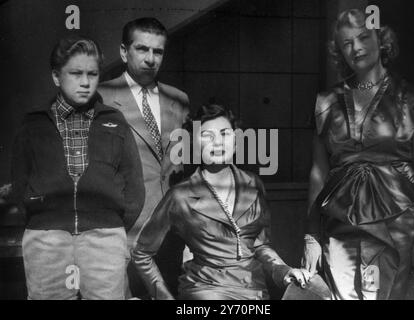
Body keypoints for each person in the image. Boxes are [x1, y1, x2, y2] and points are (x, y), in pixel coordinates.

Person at [302, 9, 414, 300]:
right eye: (347, 43)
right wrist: (311, 235)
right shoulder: (326, 103)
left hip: (399, 226)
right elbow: (318, 172)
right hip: (340, 229)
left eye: (364, 37)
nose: (356, 48)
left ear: (382, 39)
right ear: (339, 51)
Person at [10, 35, 145, 300]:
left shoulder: (115, 122)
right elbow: (19, 185)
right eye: (76, 73)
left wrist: (110, 225)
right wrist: (44, 220)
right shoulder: (33, 125)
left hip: (105, 238)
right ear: (56, 77)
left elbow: (134, 187)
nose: (85, 82)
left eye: (92, 74)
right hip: (46, 240)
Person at [132, 104, 310, 300]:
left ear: (236, 141)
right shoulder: (180, 195)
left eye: (225, 133)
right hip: (204, 290)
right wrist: (164, 297)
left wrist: (285, 272)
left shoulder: (253, 184)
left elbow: (260, 245)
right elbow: (141, 253)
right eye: (207, 136)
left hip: (254, 292)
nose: (217, 143)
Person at [97, 17, 190, 297]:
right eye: (142, 49)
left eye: (158, 51)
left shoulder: (179, 99)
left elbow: (180, 167)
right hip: (126, 232)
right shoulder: (101, 96)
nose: (150, 59)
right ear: (124, 52)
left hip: (173, 233)